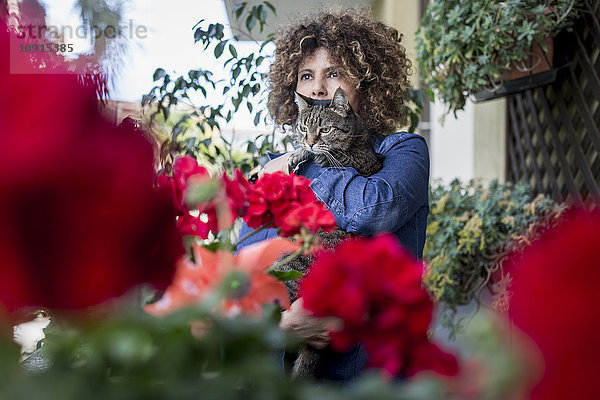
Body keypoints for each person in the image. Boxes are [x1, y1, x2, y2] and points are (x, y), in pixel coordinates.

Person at [236, 8, 430, 382]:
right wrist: (282, 326)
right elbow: (243, 268)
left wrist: (304, 162)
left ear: (368, 81)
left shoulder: (403, 151)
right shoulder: (275, 167)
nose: (318, 88)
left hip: (371, 377)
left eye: (334, 73)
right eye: (306, 76)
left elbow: (376, 208)